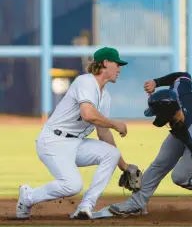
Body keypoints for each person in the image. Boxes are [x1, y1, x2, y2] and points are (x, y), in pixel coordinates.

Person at [16, 47, 140, 220]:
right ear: (105, 63)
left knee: (111, 153)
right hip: (53, 141)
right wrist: (115, 124)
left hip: (76, 143)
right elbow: (87, 114)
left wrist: (124, 166)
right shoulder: (85, 82)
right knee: (72, 185)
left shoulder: (106, 98)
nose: (119, 69)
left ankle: (85, 206)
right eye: (117, 64)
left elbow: (103, 133)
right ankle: (28, 197)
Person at [108, 72, 192, 221]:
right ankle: (136, 204)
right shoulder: (177, 93)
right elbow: (183, 76)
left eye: (157, 114)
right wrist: (156, 82)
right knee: (160, 162)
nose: (156, 117)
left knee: (180, 177)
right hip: (186, 124)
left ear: (168, 114)